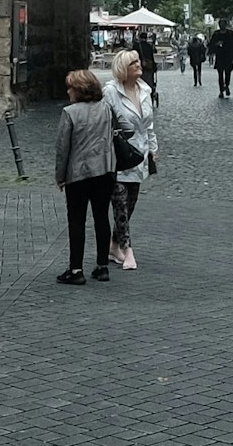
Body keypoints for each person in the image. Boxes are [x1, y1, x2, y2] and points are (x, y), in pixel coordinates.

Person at [53, 69, 117, 284]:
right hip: (105, 170)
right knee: (101, 217)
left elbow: (63, 148)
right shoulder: (106, 109)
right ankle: (102, 266)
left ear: (79, 90)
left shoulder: (70, 112)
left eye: (70, 87)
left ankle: (76, 269)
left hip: (79, 173)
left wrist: (60, 176)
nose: (68, 91)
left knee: (77, 220)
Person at [103, 50, 158, 270]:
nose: (138, 64)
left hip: (138, 155)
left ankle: (114, 244)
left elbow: (149, 125)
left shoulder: (145, 89)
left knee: (131, 203)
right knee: (120, 204)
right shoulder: (110, 92)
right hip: (117, 156)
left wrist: (153, 148)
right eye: (133, 62)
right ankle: (128, 250)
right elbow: (104, 123)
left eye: (137, 61)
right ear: (123, 69)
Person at [208, 22, 233, 98]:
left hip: (228, 56)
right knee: (220, 75)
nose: (222, 26)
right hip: (220, 56)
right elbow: (211, 44)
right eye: (221, 24)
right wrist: (216, 45)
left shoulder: (230, 33)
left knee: (228, 73)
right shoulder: (216, 34)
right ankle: (221, 90)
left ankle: (227, 85)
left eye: (223, 24)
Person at [134, 31, 159, 104]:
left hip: (138, 67)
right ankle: (150, 97)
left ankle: (139, 97)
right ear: (146, 38)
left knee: (138, 82)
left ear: (139, 38)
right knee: (149, 82)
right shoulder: (149, 46)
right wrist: (154, 67)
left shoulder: (136, 46)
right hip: (149, 67)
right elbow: (152, 57)